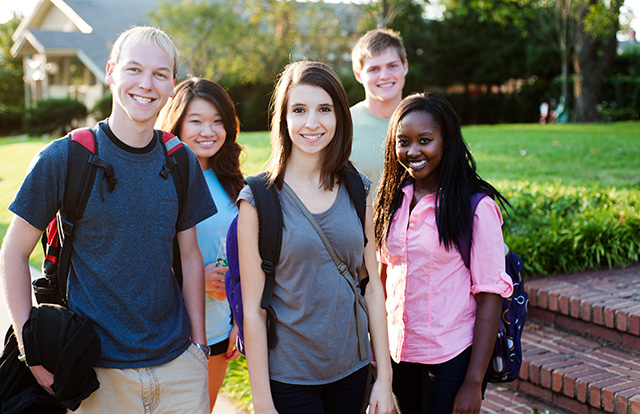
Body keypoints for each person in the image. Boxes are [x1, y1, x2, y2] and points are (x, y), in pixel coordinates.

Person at [0, 26, 216, 413]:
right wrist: (30, 348)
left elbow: (189, 256)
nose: (145, 84)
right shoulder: (65, 158)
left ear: (172, 87)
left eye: (160, 74)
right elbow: (13, 254)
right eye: (134, 69)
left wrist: (198, 348)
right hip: (97, 375)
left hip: (179, 368)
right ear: (111, 71)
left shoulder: (180, 160)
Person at [237, 61, 395, 414]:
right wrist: (262, 401)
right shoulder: (258, 199)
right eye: (299, 110)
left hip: (352, 369)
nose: (312, 122)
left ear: (339, 115)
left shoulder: (357, 187)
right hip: (289, 378)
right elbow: (253, 309)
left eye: (324, 109)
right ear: (284, 119)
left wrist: (384, 379)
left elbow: (371, 286)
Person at [373, 93, 514, 414]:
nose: (412, 151)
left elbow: (491, 295)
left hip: (451, 355)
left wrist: (473, 383)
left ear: (446, 141)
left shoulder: (476, 207)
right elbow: (382, 278)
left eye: (425, 140)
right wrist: (378, 357)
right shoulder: (391, 202)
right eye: (403, 142)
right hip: (399, 352)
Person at [156, 77, 243, 411]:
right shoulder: (161, 181)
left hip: (219, 329)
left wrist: (239, 319)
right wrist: (191, 279)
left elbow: (245, 259)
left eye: (217, 121)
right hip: (170, 333)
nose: (208, 131)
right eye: (196, 121)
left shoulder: (234, 182)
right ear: (176, 124)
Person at [350, 28, 409, 193]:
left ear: (405, 66)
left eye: (392, 66)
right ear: (359, 74)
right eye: (374, 69)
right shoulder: (343, 124)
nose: (384, 75)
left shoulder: (426, 121)